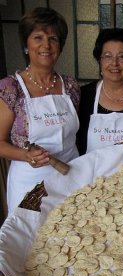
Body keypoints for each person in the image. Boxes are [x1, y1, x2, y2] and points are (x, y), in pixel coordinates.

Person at [0, 7, 80, 215]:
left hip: (69, 174)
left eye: (53, 39)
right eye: (38, 37)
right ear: (26, 45)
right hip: (28, 181)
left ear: (60, 47)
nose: (46, 45)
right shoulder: (10, 88)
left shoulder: (70, 86)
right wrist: (25, 155)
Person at [77, 28, 123, 155]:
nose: (114, 63)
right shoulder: (82, 96)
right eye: (107, 56)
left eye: (122, 56)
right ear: (99, 61)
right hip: (89, 172)